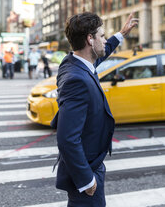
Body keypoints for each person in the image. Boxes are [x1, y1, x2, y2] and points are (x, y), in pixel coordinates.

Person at [51, 11, 138, 207]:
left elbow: (100, 55)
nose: (105, 40)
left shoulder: (73, 63)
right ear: (90, 39)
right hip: (86, 170)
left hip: (89, 163)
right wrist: (86, 180)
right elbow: (67, 139)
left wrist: (120, 35)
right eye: (102, 36)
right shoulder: (77, 80)